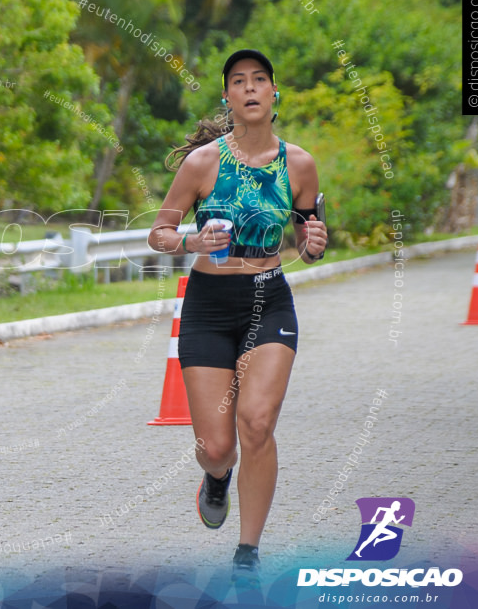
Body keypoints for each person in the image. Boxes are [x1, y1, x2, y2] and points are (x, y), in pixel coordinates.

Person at [148, 49, 327, 586]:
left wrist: (315, 241)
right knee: (217, 447)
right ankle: (217, 478)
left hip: (267, 300)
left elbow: (309, 233)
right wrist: (190, 239)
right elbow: (157, 234)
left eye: (259, 80)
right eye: (238, 82)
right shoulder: (203, 163)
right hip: (207, 306)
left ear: (275, 94)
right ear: (227, 98)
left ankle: (247, 552)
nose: (250, 88)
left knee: (257, 422)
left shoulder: (299, 164)